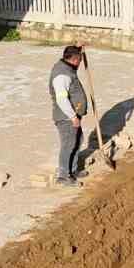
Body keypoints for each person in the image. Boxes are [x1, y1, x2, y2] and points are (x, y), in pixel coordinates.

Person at [49, 44, 88, 186]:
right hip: (65, 117)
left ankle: (73, 170)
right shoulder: (62, 75)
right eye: (80, 59)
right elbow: (61, 99)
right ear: (74, 59)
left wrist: (78, 48)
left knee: (78, 140)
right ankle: (64, 177)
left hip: (72, 115)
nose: (81, 62)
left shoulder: (67, 65)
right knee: (69, 145)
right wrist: (72, 117)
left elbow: (72, 57)